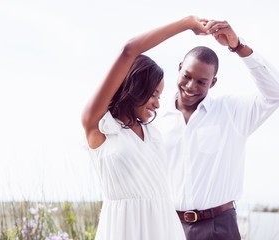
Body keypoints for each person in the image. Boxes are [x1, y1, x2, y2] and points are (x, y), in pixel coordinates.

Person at [81, 15, 210, 240]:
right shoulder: (100, 126)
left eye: (159, 96)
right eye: (152, 94)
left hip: (164, 227)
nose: (157, 103)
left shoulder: (153, 133)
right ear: (134, 87)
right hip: (123, 230)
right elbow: (129, 50)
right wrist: (187, 23)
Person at [155, 19, 279, 239]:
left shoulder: (232, 112)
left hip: (219, 227)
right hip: (169, 227)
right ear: (179, 68)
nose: (191, 87)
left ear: (213, 82)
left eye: (202, 82)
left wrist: (238, 46)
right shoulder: (155, 119)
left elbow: (274, 93)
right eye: (187, 76)